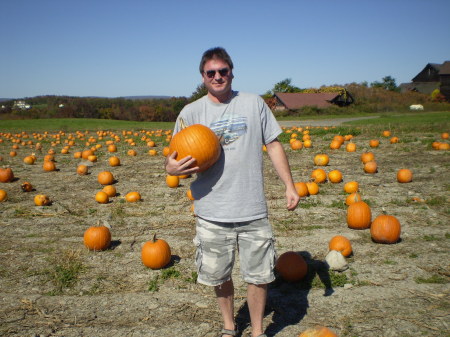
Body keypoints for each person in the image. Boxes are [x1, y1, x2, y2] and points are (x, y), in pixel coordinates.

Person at [165, 47, 300, 337]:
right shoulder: (191, 113)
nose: (217, 77)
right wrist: (171, 169)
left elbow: (274, 144)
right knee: (219, 276)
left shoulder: (254, 104)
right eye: (210, 72)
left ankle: (257, 331)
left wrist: (289, 185)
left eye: (222, 71)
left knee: (259, 276)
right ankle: (229, 326)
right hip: (212, 211)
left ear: (231, 72)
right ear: (202, 77)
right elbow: (172, 158)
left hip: (252, 208)